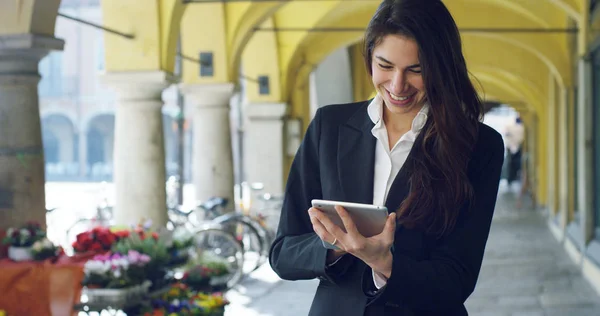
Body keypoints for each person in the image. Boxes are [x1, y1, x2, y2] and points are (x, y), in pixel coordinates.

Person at [268, 0, 505, 315]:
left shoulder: (479, 146)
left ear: (442, 68)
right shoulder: (330, 127)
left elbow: (458, 279)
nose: (397, 85)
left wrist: (385, 263)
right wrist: (336, 245)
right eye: (385, 65)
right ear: (368, 58)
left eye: (416, 70)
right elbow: (283, 254)